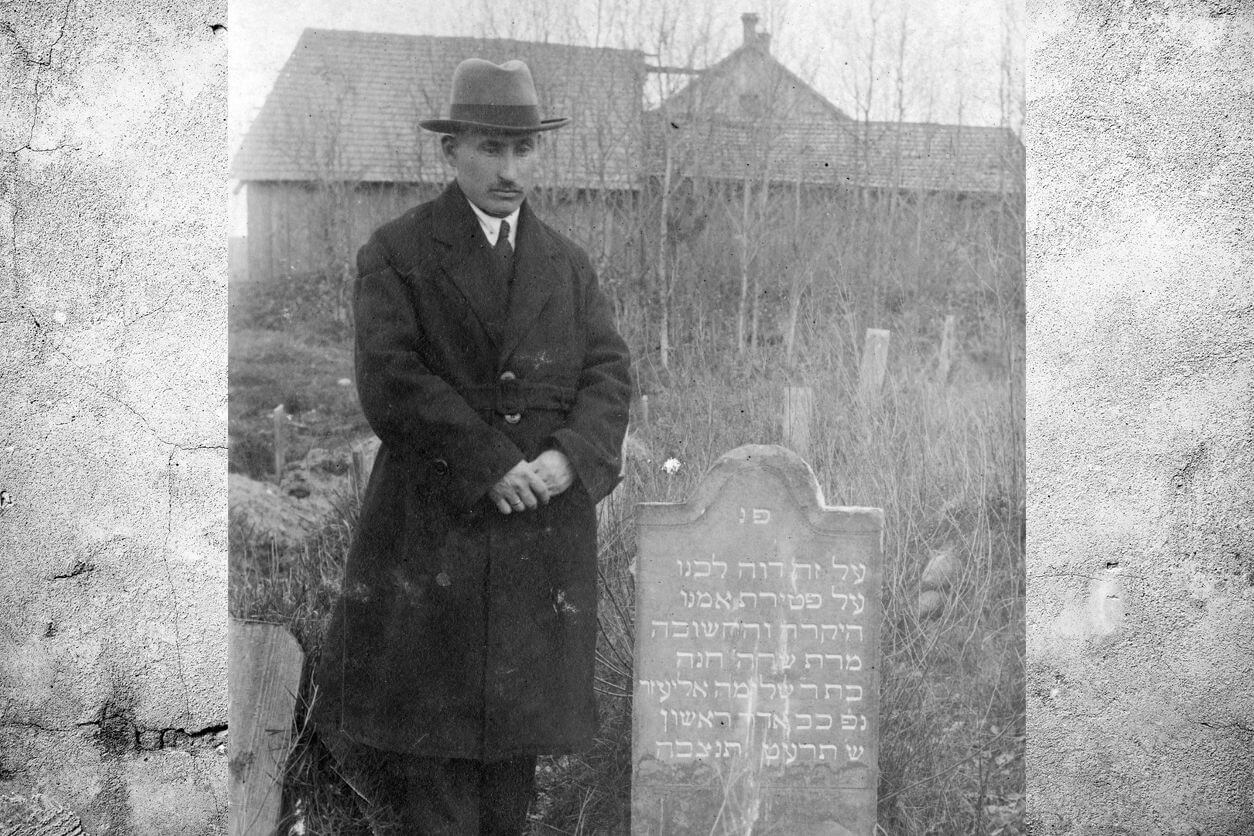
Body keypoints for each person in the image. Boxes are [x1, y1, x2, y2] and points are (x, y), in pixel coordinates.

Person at [312, 58, 633, 834]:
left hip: (537, 542)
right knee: (440, 763)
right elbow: (392, 381)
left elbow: (609, 374)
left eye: (525, 150)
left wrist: (569, 458)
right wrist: (491, 466)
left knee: (511, 766)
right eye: (491, 148)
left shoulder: (566, 263)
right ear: (449, 151)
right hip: (436, 539)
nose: (510, 169)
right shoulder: (398, 252)